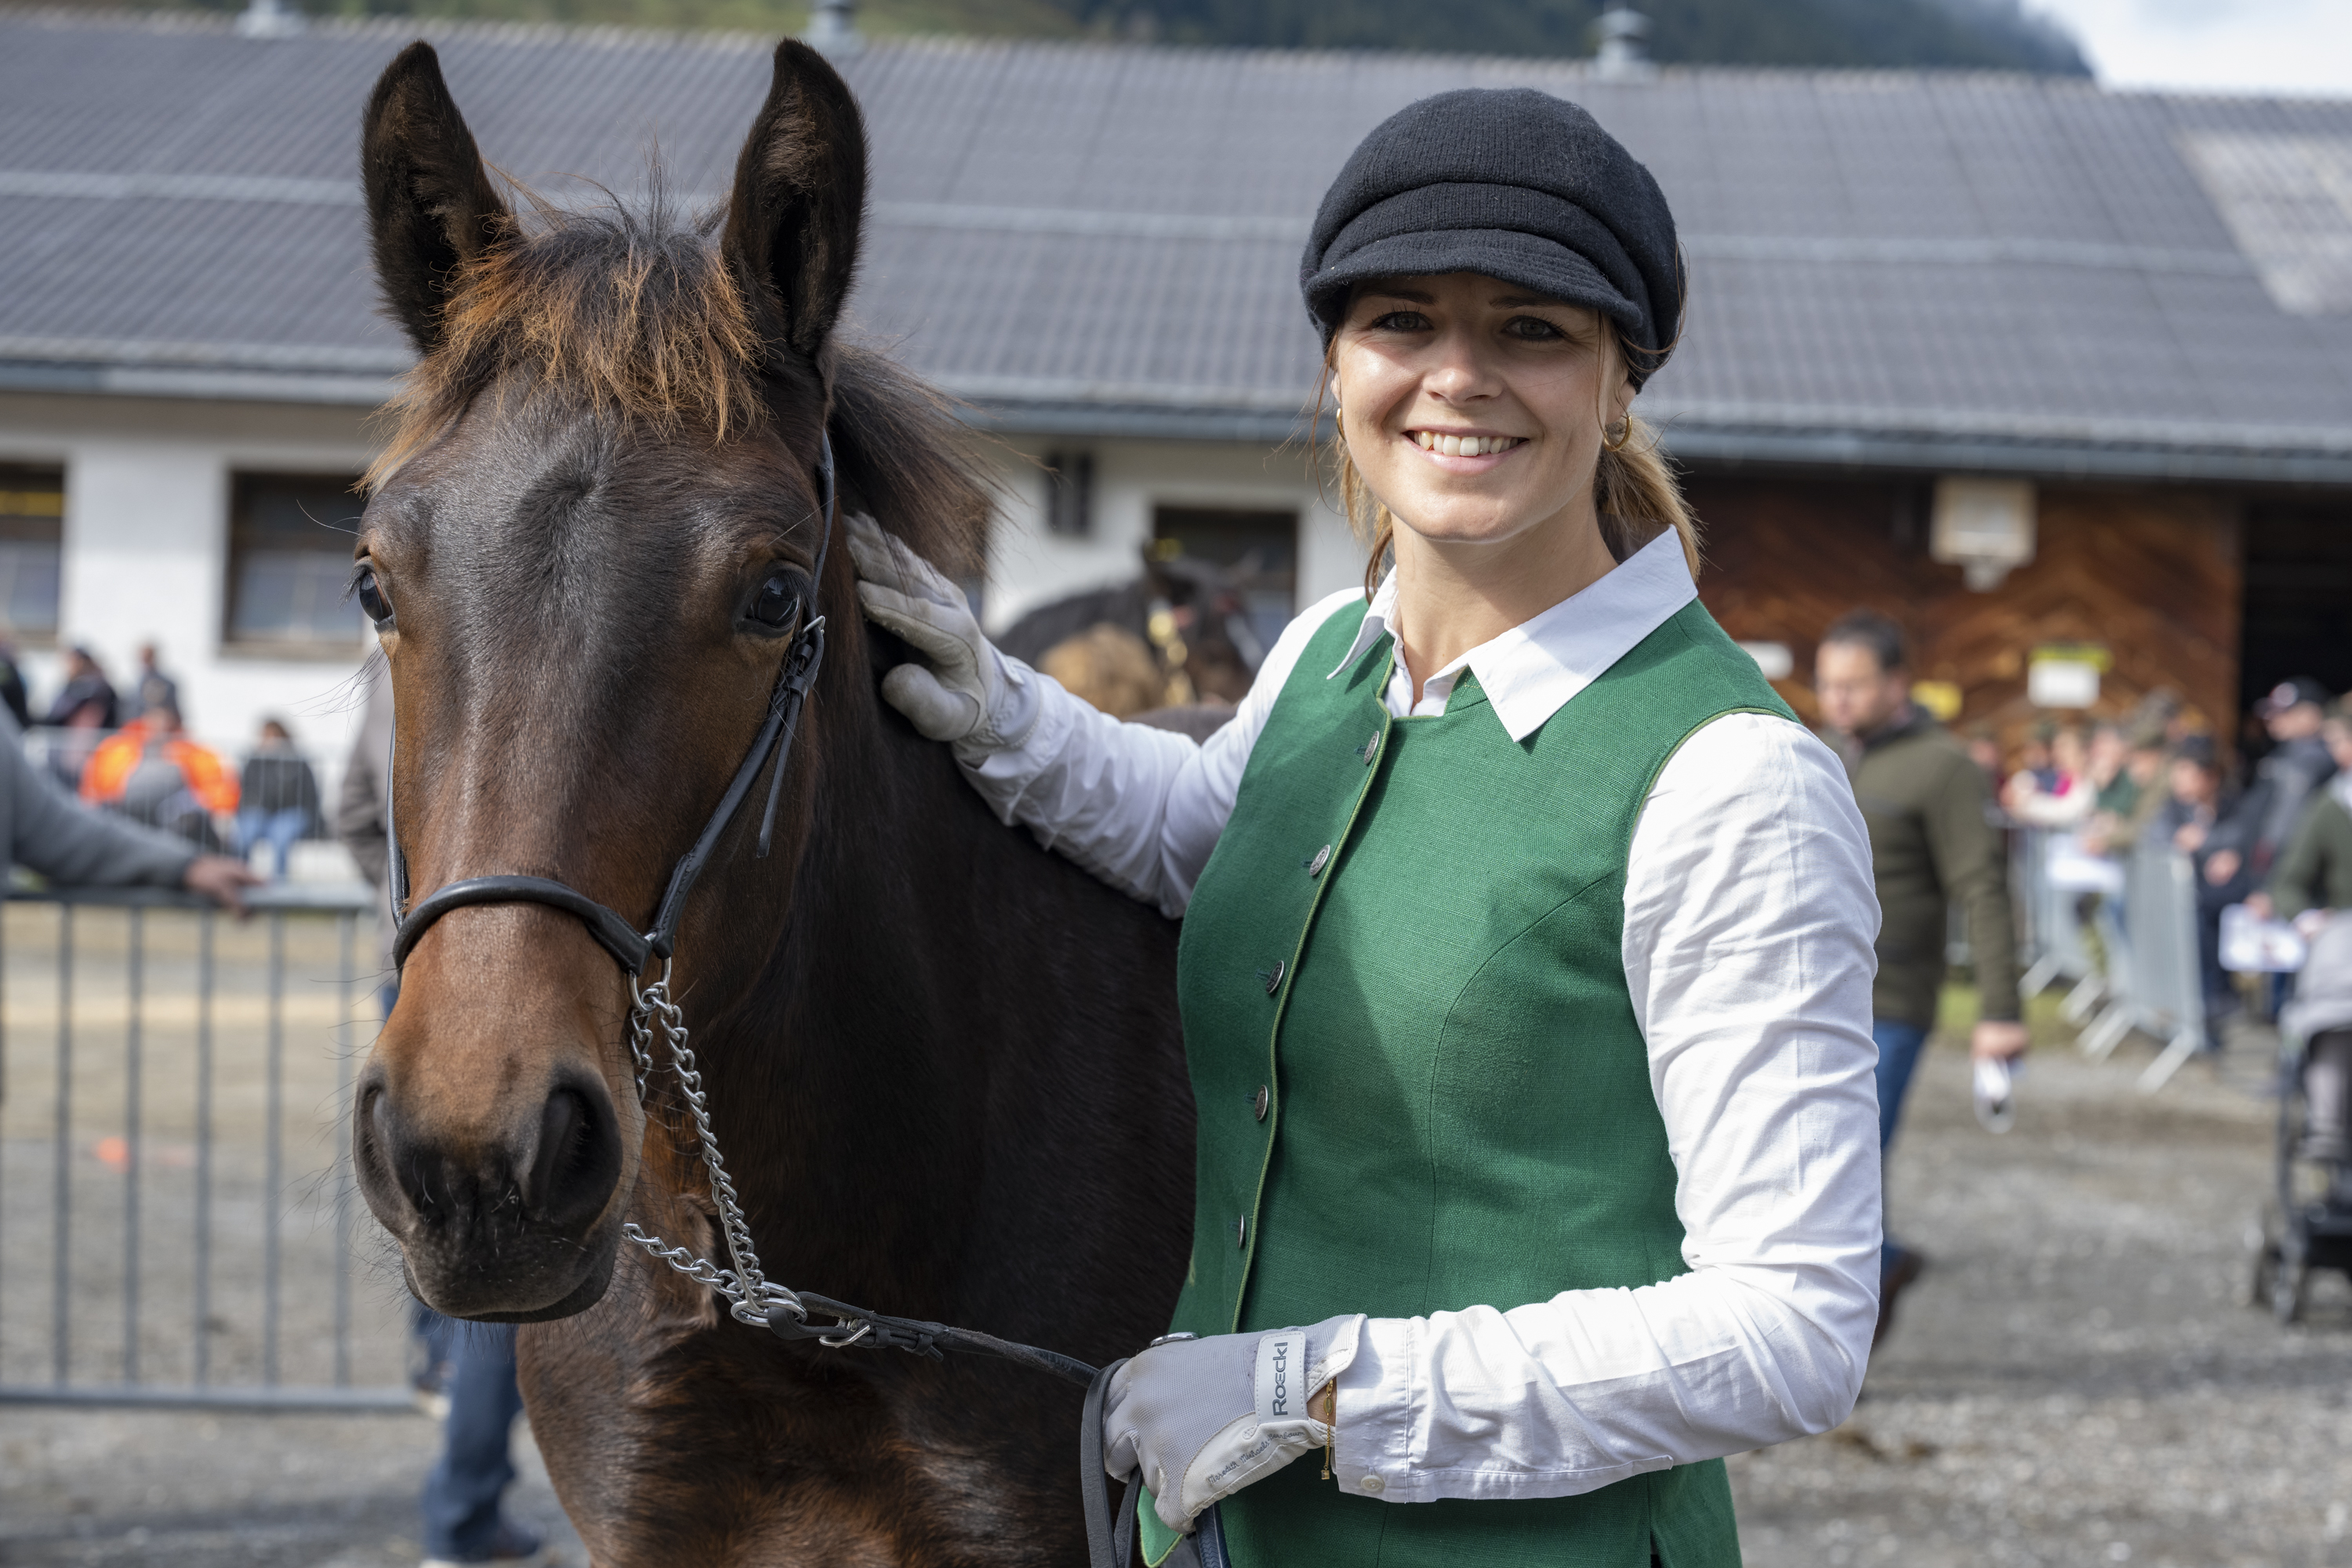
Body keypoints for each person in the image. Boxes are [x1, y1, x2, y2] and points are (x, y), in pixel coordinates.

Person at [852, 88, 1879, 1567]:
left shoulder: (1733, 783)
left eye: (1532, 328)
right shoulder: (1333, 648)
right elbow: (1188, 834)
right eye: (1404, 321)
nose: (1457, 377)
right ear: (1338, 361)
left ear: (1617, 382)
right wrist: (997, 703)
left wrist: (1315, 1389)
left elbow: (1793, 1327)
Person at [336, 665, 543, 1568]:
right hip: (537, 963)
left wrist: (425, 917)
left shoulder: (409, 651)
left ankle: (441, 1379)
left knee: (471, 1217)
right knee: (496, 1235)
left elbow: (352, 809)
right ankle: (461, 1512)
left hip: (428, 950)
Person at [1813, 608, 2024, 1344]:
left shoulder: (1943, 766)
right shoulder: (1828, 755)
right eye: (1828, 685)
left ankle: (1842, 1337)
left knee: (1851, 1163)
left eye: (1855, 684)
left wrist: (2000, 1009)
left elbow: (1983, 887)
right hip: (1816, 994)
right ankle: (1884, 1267)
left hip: (1893, 999)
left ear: (1897, 682)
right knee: (1817, 1157)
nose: (1838, 699)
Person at [0, 705, 256, 909]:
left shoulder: (192, 753)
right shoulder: (120, 748)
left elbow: (53, 828)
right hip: (118, 812)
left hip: (168, 823)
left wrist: (183, 865)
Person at [2150, 735, 2240, 1026]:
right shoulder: (2170, 810)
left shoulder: (2232, 806)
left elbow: (2244, 838)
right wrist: (2177, 843)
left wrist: (2221, 850)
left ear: (2210, 776)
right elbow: (2153, 840)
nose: (2179, 780)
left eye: (2186, 771)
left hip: (2219, 903)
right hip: (2178, 906)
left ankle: (2218, 1002)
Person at [79, 703, 238, 848]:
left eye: (163, 718)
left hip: (170, 820)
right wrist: (91, 803)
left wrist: (219, 809)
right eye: (153, 717)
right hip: (125, 811)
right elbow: (97, 781)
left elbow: (213, 785)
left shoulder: (191, 751)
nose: (158, 724)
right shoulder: (119, 747)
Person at [235, 718, 321, 880]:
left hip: (291, 812)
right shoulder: (255, 761)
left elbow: (307, 795)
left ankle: (278, 893)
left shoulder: (296, 761)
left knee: (280, 837)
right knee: (243, 836)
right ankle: (240, 883)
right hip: (261, 812)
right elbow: (246, 790)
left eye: (272, 736)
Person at [123, 642, 180, 723]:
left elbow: (174, 710)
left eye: (148, 658)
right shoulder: (132, 685)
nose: (145, 662)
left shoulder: (167, 684)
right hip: (137, 728)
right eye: (143, 658)